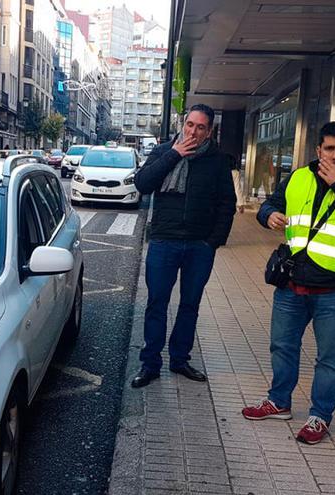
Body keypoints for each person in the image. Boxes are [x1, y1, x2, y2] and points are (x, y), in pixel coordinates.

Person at [241, 121, 335, 445]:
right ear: (318, 150)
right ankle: (279, 402)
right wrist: (268, 215)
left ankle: (320, 416)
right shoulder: (298, 177)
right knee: (282, 346)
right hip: (292, 283)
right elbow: (270, 204)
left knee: (330, 358)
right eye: (330, 149)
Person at [130, 103, 236, 388]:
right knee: (156, 304)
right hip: (164, 241)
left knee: (190, 305)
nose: (194, 131)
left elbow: (227, 203)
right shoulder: (164, 151)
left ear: (209, 131)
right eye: (190, 125)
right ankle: (150, 363)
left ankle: (180, 359)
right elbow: (142, 184)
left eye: (201, 127)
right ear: (183, 124)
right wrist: (174, 155)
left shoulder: (216, 160)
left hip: (199, 246)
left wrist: (212, 242)